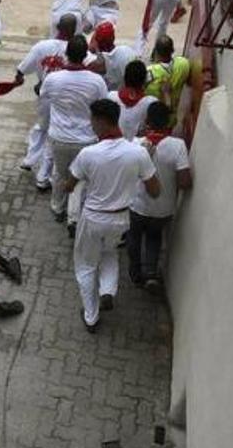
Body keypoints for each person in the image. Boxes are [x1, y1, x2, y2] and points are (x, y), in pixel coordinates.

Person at [63, 98, 160, 332]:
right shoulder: (138, 153)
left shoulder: (89, 153)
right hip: (121, 218)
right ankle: (107, 291)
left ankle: (91, 315)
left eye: (92, 121)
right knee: (109, 255)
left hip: (94, 217)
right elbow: (155, 191)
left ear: (100, 121)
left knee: (86, 265)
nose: (91, 125)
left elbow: (69, 185)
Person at [40, 35, 109, 230]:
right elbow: (103, 104)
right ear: (85, 55)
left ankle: (57, 208)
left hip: (59, 137)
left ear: (67, 54)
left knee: (61, 174)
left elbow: (42, 94)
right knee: (81, 178)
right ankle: (74, 217)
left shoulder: (53, 79)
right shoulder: (97, 81)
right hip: (86, 138)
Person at [128, 101, 192, 292]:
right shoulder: (178, 146)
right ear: (168, 122)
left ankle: (135, 272)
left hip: (137, 205)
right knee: (154, 238)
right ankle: (150, 273)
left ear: (147, 120)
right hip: (163, 209)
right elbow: (184, 182)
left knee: (134, 238)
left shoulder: (136, 144)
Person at [12, 14, 79, 192]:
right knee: (52, 134)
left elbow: (22, 68)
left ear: (57, 27)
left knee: (41, 127)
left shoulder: (42, 46)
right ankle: (43, 176)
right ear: (74, 30)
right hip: (64, 99)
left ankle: (29, 160)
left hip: (44, 95)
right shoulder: (75, 49)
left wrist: (18, 79)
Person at [107, 60, 156, 139]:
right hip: (137, 147)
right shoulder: (151, 102)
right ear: (144, 80)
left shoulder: (111, 96)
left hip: (115, 145)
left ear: (125, 77)